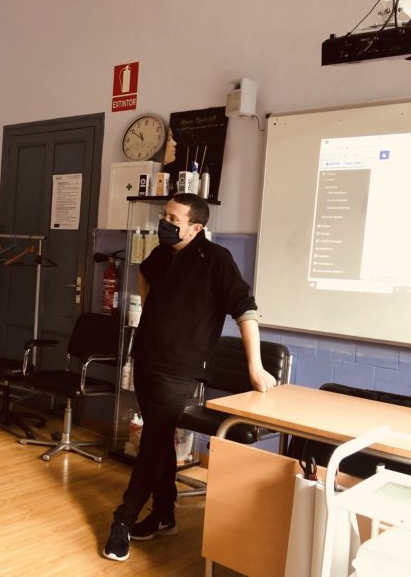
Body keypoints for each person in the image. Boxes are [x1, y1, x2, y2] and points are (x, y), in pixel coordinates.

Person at [102, 194, 276, 562]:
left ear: (196, 228)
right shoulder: (161, 253)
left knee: (152, 442)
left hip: (179, 367)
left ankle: (123, 519)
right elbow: (144, 272)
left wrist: (255, 366)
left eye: (173, 219)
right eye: (164, 215)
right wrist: (151, 309)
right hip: (146, 358)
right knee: (158, 436)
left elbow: (245, 310)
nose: (164, 223)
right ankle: (164, 514)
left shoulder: (216, 259)